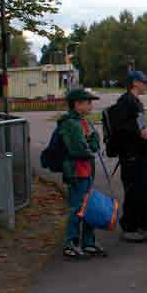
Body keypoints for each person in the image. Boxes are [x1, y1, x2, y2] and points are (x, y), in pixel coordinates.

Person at [115, 70, 147, 242]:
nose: (146, 85)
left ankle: (146, 225)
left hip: (139, 153)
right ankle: (129, 228)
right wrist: (142, 132)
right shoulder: (126, 102)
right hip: (130, 155)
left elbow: (140, 127)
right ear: (135, 83)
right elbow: (125, 128)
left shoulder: (135, 102)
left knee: (144, 190)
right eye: (144, 82)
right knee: (133, 192)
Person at [59, 88, 104, 259]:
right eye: (88, 102)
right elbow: (78, 149)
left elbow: (88, 147)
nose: (91, 105)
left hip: (86, 171)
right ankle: (71, 242)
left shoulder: (82, 121)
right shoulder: (71, 124)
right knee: (78, 208)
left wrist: (92, 144)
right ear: (77, 104)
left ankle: (88, 242)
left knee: (88, 207)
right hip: (76, 173)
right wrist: (91, 144)